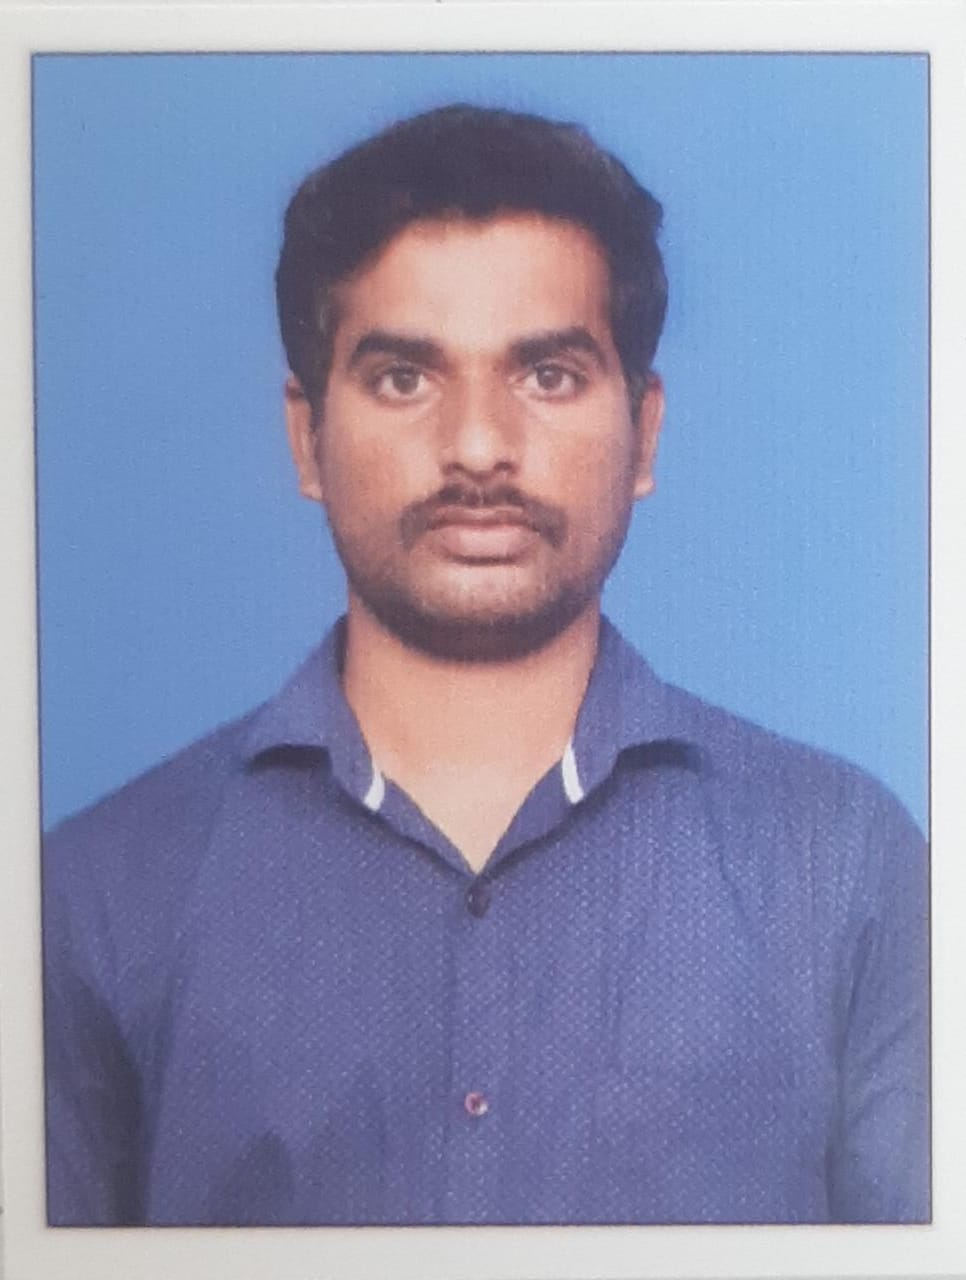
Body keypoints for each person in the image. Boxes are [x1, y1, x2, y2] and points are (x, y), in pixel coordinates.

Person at [42, 104, 929, 1228]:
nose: (476, 447)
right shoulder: (98, 895)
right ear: (307, 436)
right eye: (403, 378)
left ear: (645, 433)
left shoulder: (843, 869)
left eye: (548, 374)